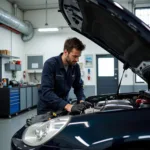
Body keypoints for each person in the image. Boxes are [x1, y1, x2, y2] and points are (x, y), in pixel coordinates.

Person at [37, 37, 91, 115]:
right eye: (75, 56)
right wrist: (68, 106)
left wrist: (81, 101)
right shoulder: (50, 64)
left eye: (78, 56)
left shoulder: (75, 67)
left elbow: (78, 86)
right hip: (47, 109)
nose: (77, 60)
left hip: (63, 107)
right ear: (66, 52)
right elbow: (46, 92)